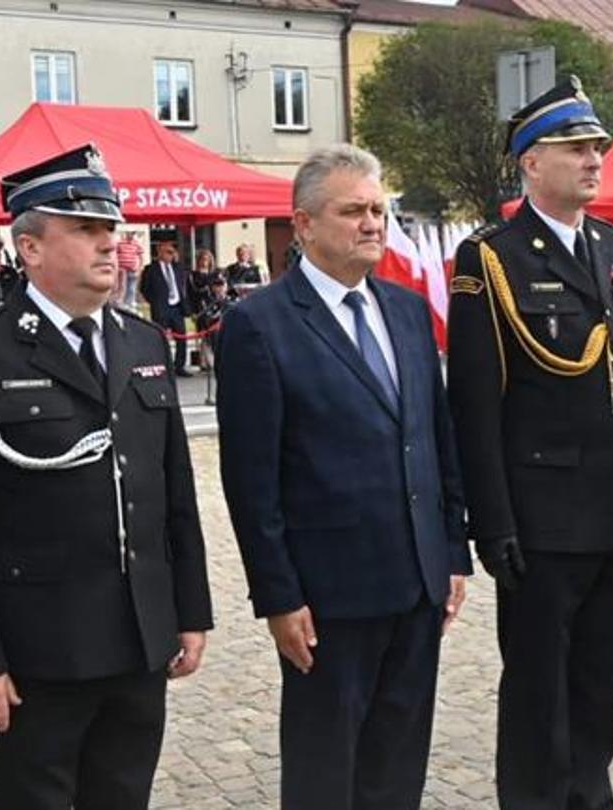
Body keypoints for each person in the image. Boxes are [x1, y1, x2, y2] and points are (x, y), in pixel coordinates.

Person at [0, 143, 213, 809]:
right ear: (30, 248)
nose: (111, 246)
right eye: (85, 230)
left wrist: (188, 611)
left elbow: (172, 493)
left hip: (137, 639)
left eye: (112, 230)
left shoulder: (141, 342)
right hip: (38, 648)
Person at [217, 144, 469, 809]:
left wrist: (452, 551)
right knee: (325, 769)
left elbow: (437, 438)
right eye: (352, 210)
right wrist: (277, 597)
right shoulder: (260, 325)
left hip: (416, 584)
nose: (371, 224)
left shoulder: (407, 311)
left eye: (378, 210)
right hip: (327, 596)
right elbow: (251, 480)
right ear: (302, 225)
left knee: (397, 762)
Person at [447, 76, 613, 808]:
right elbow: (476, 407)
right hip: (546, 519)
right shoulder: (492, 258)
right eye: (574, 147)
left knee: (605, 678)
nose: (593, 159)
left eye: (597, 147)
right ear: (529, 163)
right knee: (539, 692)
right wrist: (495, 522)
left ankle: (590, 794)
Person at [139, 241, 194, 376]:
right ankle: (164, 365)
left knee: (181, 338)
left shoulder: (178, 268)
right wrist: (155, 301)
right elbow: (144, 289)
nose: (171, 255)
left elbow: (183, 286)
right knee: (161, 339)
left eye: (172, 252)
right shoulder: (151, 269)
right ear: (160, 253)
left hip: (176, 308)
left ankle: (179, 366)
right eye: (168, 252)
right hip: (161, 308)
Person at [115, 229, 145, 308]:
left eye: (133, 234)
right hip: (122, 269)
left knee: (132, 286)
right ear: (126, 233)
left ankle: (130, 302)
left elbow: (140, 256)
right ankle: (120, 302)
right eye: (130, 233)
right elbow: (114, 255)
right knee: (122, 286)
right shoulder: (120, 243)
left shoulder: (136, 244)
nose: (131, 235)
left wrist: (140, 267)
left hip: (133, 269)